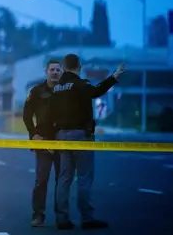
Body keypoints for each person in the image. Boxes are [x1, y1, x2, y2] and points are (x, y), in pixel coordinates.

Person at [51, 54, 126, 230]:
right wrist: (114, 77)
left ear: (63, 66)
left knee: (64, 178)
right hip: (80, 136)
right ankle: (87, 217)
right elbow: (96, 92)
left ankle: (62, 218)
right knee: (84, 178)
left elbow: (50, 113)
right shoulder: (80, 84)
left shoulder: (57, 88)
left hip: (61, 136)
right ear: (79, 66)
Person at [22, 58, 62, 227]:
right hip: (43, 141)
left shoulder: (66, 91)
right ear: (46, 71)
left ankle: (62, 217)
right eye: (52, 69)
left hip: (63, 142)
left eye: (58, 70)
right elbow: (26, 115)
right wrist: (33, 135)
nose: (55, 72)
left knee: (63, 181)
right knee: (42, 180)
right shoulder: (37, 91)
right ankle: (38, 215)